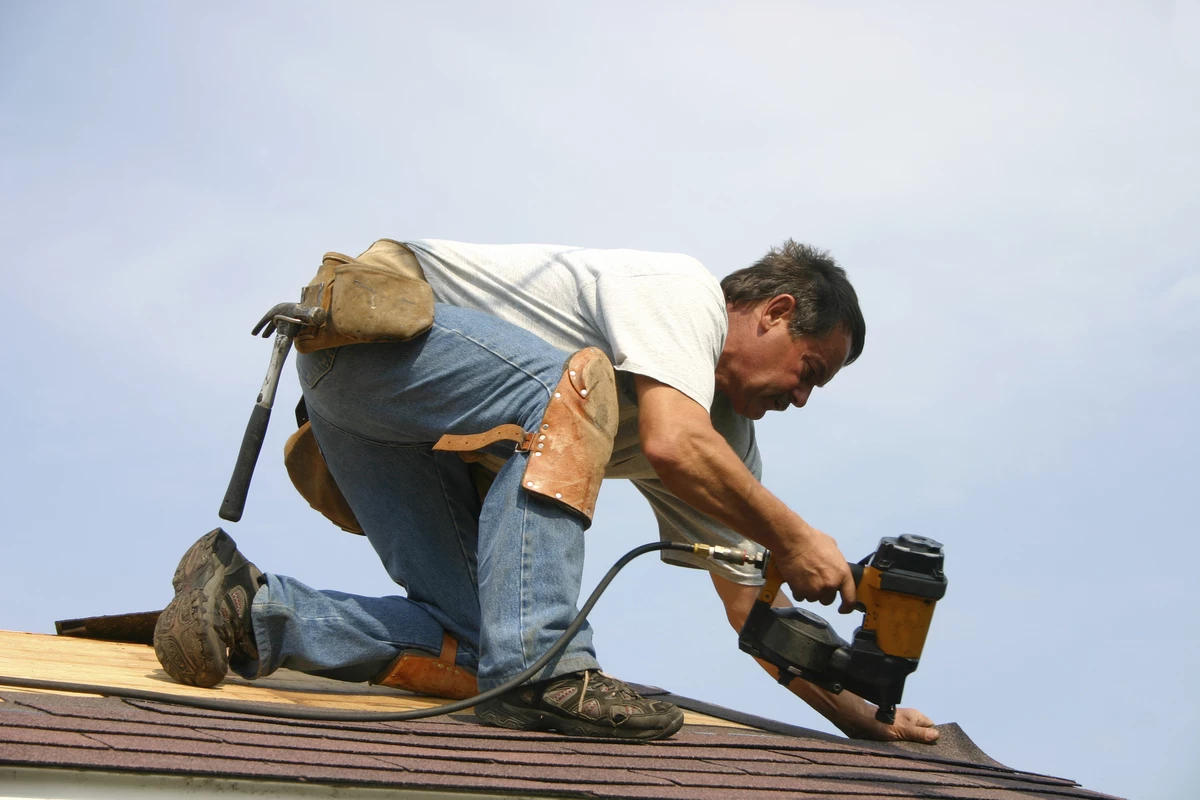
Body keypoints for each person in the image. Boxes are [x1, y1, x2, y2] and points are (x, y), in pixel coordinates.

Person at [153, 238, 938, 743]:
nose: (803, 398)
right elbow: (669, 442)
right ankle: (554, 675)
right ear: (775, 312)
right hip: (371, 346)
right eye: (811, 372)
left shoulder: (722, 443)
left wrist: (866, 721)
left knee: (484, 650)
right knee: (580, 386)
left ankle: (246, 608)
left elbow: (754, 617)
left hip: (384, 428)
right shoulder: (683, 295)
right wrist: (795, 538)